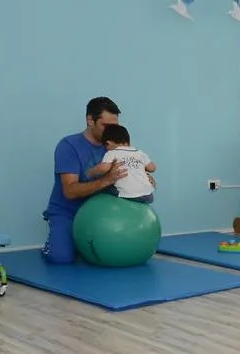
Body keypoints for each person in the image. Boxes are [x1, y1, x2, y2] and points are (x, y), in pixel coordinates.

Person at [42, 96, 130, 263]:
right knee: (61, 257)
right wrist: (106, 179)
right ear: (90, 120)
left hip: (100, 214)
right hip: (68, 212)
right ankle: (55, 243)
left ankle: (81, 246)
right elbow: (70, 191)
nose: (111, 132)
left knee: (115, 252)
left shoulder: (114, 146)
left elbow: (127, 174)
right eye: (106, 126)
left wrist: (143, 177)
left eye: (115, 127)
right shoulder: (68, 146)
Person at [99, 124, 157, 203]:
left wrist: (93, 171)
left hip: (128, 195)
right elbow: (152, 168)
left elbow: (103, 169)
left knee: (104, 186)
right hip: (148, 196)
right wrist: (139, 167)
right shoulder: (139, 153)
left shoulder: (111, 153)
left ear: (108, 143)